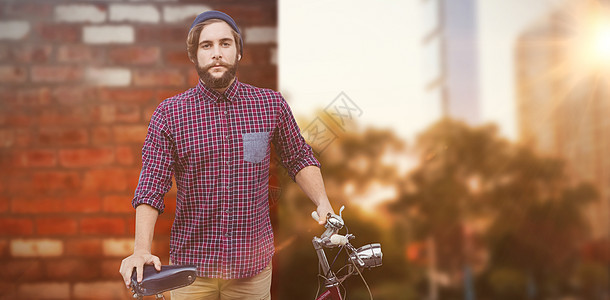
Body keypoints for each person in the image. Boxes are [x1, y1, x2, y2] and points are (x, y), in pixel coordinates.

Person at [118, 10, 335, 300]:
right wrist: (141, 250)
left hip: (253, 270)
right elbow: (151, 185)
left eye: (225, 44)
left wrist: (323, 202)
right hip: (191, 272)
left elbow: (298, 157)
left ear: (239, 52)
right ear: (194, 56)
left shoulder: (269, 105)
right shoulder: (169, 114)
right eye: (206, 46)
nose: (216, 53)